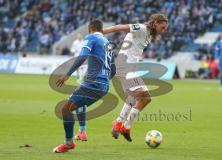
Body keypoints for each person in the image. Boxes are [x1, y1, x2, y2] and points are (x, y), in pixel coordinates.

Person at [103, 13, 168, 142]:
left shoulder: (149, 33)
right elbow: (120, 27)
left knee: (141, 98)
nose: (164, 31)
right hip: (124, 65)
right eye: (163, 27)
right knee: (144, 97)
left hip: (131, 67)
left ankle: (123, 125)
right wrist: (102, 31)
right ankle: (121, 124)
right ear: (156, 23)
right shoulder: (142, 28)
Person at [53, 19, 114, 153]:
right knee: (76, 104)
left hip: (93, 83)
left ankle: (69, 143)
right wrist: (104, 80)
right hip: (103, 85)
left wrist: (68, 74)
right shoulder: (108, 43)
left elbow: (82, 56)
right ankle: (82, 131)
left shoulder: (91, 37)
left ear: (90, 28)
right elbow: (113, 68)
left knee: (65, 110)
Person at [70, 32, 87, 141]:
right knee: (79, 103)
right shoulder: (75, 42)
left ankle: (69, 140)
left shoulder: (86, 43)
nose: (79, 37)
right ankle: (82, 132)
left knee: (74, 103)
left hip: (85, 65)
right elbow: (72, 51)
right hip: (81, 63)